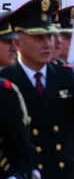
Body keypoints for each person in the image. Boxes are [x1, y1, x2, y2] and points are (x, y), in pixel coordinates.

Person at [0, 0, 74, 179]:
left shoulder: (67, 77)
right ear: (18, 43)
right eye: (38, 37)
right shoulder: (6, 82)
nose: (47, 43)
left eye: (50, 35)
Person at [0, 11, 40, 179]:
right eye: (6, 41)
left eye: (13, 41)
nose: (13, 47)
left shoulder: (7, 89)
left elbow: (21, 143)